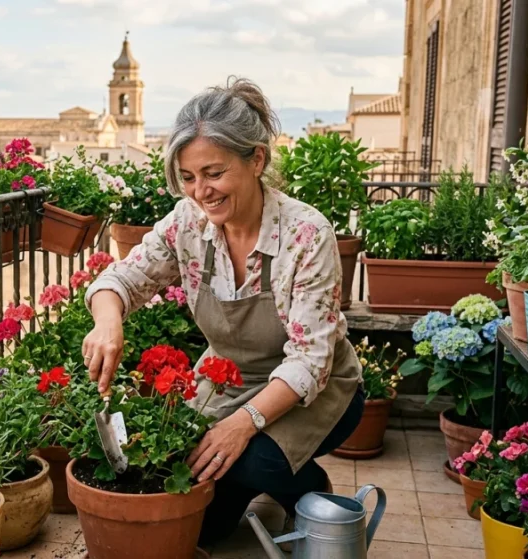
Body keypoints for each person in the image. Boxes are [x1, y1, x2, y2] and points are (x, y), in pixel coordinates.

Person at [80, 77, 365, 546]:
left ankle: (307, 489)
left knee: (254, 459)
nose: (200, 192)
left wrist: (240, 425)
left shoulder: (307, 235)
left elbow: (310, 361)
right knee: (201, 527)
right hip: (228, 379)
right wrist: (108, 321)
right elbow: (121, 280)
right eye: (188, 178)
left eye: (213, 173)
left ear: (256, 160)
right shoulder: (187, 223)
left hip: (318, 391)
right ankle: (251, 484)